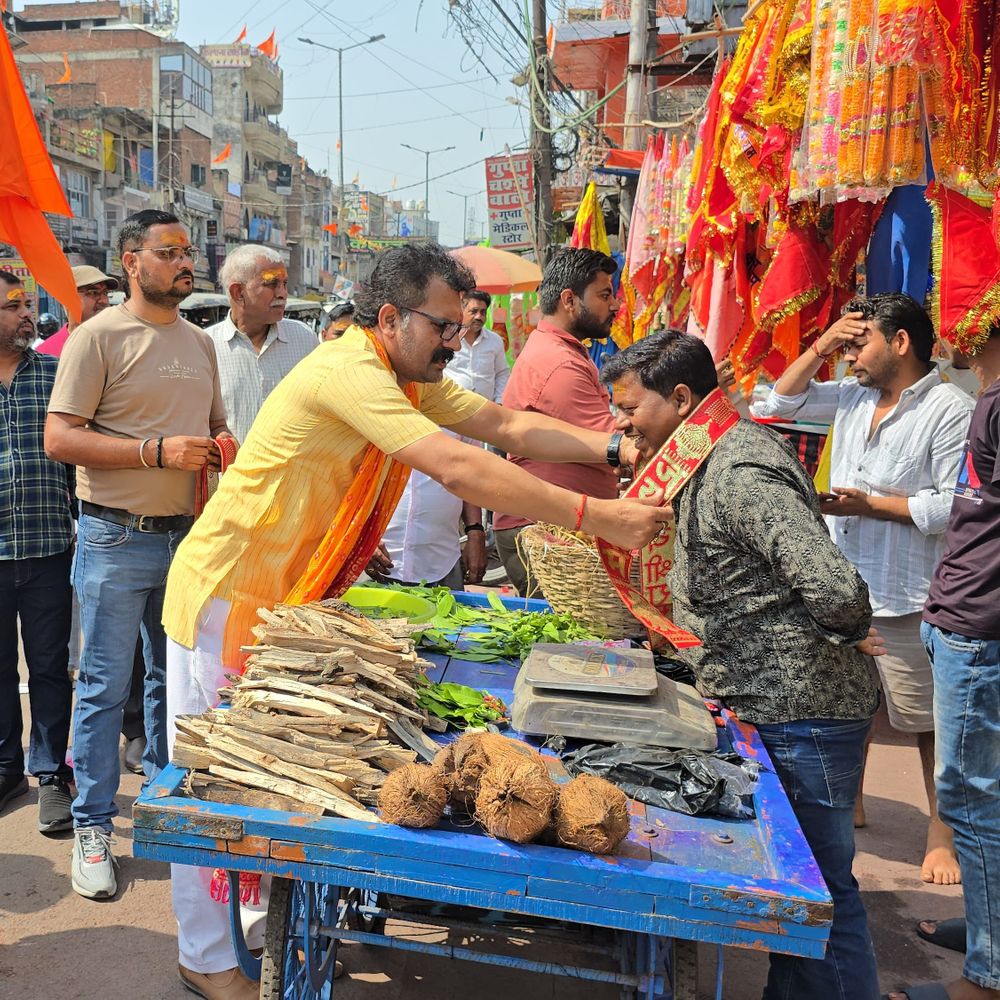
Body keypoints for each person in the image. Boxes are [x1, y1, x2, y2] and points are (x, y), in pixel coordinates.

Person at [159, 243, 662, 1000]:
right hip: (228, 597)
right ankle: (203, 956)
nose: (457, 343)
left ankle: (256, 921)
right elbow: (459, 468)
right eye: (444, 327)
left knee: (277, 775)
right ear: (390, 318)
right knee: (221, 781)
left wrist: (615, 446)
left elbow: (506, 427)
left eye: (463, 328)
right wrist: (599, 516)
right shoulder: (352, 372)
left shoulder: (403, 374)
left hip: (289, 600)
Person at [602, 329, 884, 1000]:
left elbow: (837, 591)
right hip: (773, 705)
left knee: (818, 894)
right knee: (801, 895)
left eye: (629, 409)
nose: (620, 423)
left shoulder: (739, 471)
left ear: (678, 398)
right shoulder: (711, 454)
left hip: (802, 709)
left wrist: (832, 639)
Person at [45, 209, 232, 904]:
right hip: (113, 536)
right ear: (132, 261)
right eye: (171, 252)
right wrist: (154, 452)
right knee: (102, 687)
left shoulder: (199, 343)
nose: (186, 262)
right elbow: (59, 438)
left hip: (185, 539)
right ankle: (93, 825)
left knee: (172, 682)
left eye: (189, 251)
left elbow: (214, 426)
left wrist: (222, 446)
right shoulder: (97, 338)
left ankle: (162, 802)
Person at [759, 292, 973, 885]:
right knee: (847, 702)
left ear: (900, 343)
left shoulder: (951, 408)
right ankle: (850, 803)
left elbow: (952, 506)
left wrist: (871, 505)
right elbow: (780, 400)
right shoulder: (853, 396)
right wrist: (820, 345)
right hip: (841, 586)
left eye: (859, 344)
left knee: (926, 721)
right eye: (845, 345)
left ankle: (942, 836)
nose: (848, 356)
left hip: (908, 593)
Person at [494, 247, 622, 595]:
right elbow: (614, 443)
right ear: (569, 299)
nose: (614, 306)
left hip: (553, 523)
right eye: (604, 294)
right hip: (545, 531)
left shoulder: (562, 352)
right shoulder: (560, 364)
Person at [0, 271, 75, 834]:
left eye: (28, 304)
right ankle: (7, 769)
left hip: (50, 548)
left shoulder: (55, 375)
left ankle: (51, 772)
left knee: (50, 667)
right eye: (13, 306)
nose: (27, 315)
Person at [206, 245, 316, 443]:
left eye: (284, 283)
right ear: (238, 292)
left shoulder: (304, 339)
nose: (283, 293)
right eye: (272, 284)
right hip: (232, 472)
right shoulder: (206, 346)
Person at [36, 265, 120, 358]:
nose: (104, 301)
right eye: (93, 293)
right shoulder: (45, 354)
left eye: (105, 293)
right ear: (68, 298)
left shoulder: (121, 344)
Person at [447, 289, 510, 403]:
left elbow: (502, 373)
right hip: (452, 408)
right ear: (462, 311)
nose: (479, 317)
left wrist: (499, 401)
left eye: (483, 312)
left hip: (486, 410)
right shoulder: (448, 338)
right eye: (474, 311)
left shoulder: (495, 341)